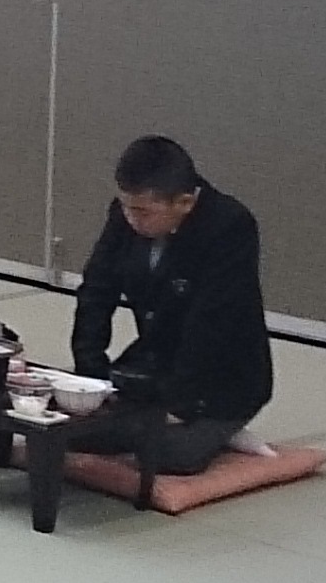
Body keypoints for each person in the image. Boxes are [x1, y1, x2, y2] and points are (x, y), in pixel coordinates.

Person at [62, 136, 274, 476]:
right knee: (72, 429)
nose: (131, 218)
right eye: (126, 207)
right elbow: (96, 289)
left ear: (185, 202)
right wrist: (91, 374)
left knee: (163, 454)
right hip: (153, 362)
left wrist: (179, 407)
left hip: (220, 377)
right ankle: (171, 427)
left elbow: (211, 324)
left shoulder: (230, 226)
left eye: (142, 212)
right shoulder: (126, 214)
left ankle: (220, 428)